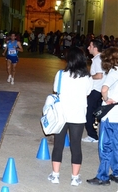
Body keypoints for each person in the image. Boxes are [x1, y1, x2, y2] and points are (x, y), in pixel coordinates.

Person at [47, 47, 92, 187]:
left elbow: (56, 90)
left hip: (61, 114)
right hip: (78, 116)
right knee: (76, 145)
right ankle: (74, 177)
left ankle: (55, 175)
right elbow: (87, 92)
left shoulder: (60, 74)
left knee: (58, 145)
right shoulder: (87, 77)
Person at [87, 47, 118, 186]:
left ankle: (103, 176)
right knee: (116, 145)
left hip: (110, 115)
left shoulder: (114, 71)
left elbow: (104, 89)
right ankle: (117, 172)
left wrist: (106, 99)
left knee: (105, 146)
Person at [82, 39, 105, 143]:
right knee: (99, 113)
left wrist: (89, 77)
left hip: (96, 90)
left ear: (95, 48)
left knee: (89, 113)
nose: (88, 48)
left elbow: (99, 75)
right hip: (100, 90)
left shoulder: (97, 59)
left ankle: (93, 136)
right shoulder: (101, 58)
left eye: (90, 46)